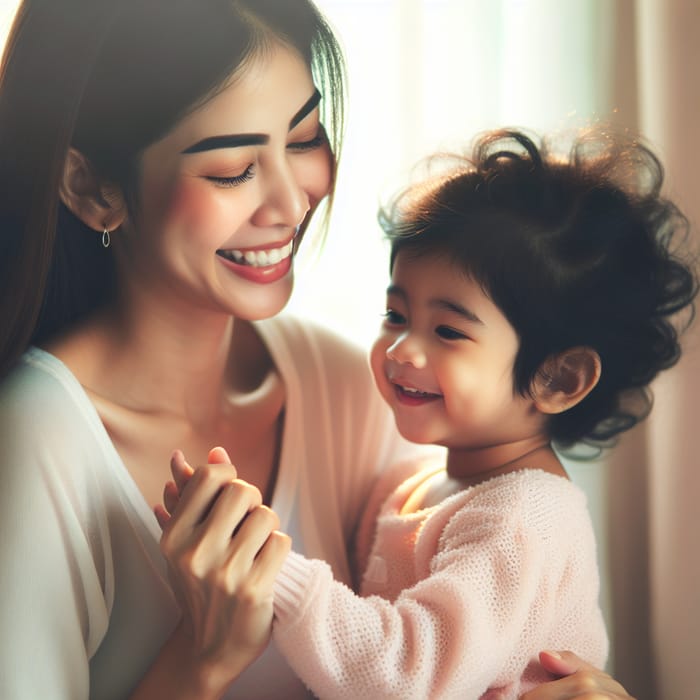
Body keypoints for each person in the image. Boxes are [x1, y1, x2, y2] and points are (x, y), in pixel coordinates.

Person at [0, 0, 641, 697]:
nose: (292, 200)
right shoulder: (34, 443)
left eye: (304, 137)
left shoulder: (349, 387)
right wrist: (202, 658)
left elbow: (461, 643)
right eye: (231, 168)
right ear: (93, 188)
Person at [159, 128, 696, 698]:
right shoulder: (414, 487)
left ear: (558, 378)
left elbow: (404, 676)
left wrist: (269, 568)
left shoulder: (525, 517)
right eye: (395, 314)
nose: (402, 349)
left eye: (447, 330)